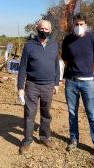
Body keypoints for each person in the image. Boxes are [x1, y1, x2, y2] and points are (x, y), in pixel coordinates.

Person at [61, 13, 94, 161]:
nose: (79, 27)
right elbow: (65, 59)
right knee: (72, 113)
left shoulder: (92, 38)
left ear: (86, 25)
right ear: (72, 24)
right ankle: (74, 139)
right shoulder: (67, 40)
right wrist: (74, 72)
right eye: (76, 24)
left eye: (81, 24)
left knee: (92, 115)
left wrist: (88, 72)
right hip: (71, 82)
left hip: (88, 82)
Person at [17, 20, 60, 154]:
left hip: (48, 85)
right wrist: (20, 87)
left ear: (50, 31)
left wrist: (57, 83)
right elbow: (22, 67)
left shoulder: (54, 45)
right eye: (42, 28)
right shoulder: (29, 46)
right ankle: (27, 140)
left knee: (46, 113)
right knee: (29, 114)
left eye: (47, 29)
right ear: (37, 29)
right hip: (32, 85)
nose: (44, 31)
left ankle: (44, 137)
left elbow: (56, 66)